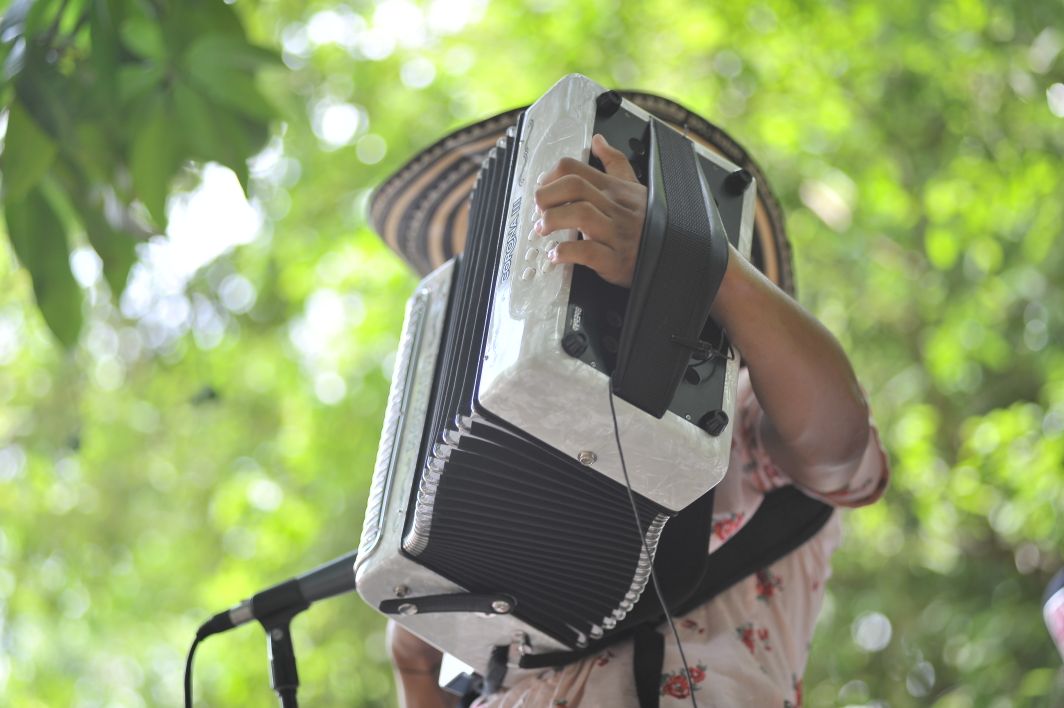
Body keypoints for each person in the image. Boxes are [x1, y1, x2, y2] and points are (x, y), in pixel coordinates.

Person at [382, 130, 888, 707]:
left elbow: (839, 449)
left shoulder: (739, 407)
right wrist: (414, 669)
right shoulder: (474, 486)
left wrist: (690, 261)